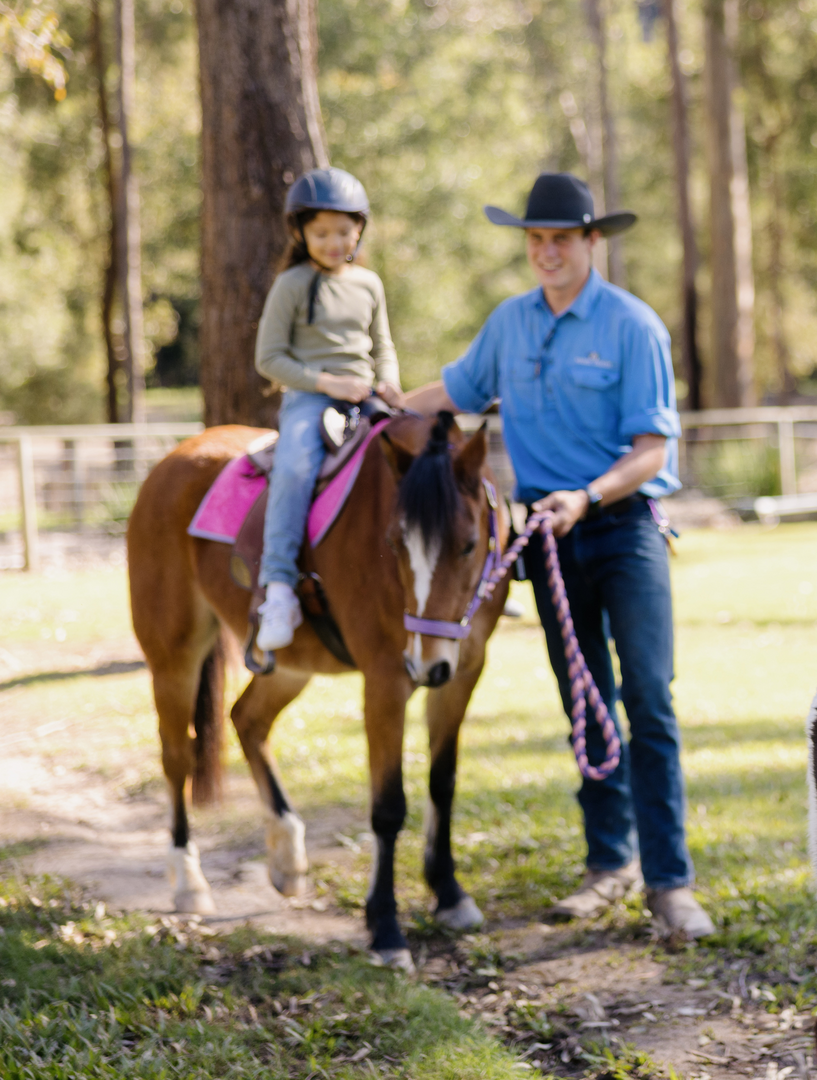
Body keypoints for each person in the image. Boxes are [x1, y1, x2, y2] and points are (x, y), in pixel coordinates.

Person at [399, 173, 713, 942]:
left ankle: (670, 883)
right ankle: (609, 866)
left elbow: (651, 451)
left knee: (648, 698)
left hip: (623, 526)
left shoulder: (633, 326)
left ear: (591, 243)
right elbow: (455, 391)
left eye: (560, 239)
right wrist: (379, 407)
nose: (546, 252)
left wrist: (588, 496)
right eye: (535, 240)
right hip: (546, 538)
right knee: (586, 701)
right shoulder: (508, 324)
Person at [252, 167, 402, 654]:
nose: (334, 242)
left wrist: (390, 382)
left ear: (359, 229)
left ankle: (457, 574)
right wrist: (327, 382)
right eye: (321, 233)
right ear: (301, 233)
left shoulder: (369, 284)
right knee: (295, 463)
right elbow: (268, 358)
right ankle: (277, 588)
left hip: (368, 397)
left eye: (343, 231)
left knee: (424, 453)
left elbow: (383, 345)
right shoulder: (292, 284)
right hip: (310, 398)